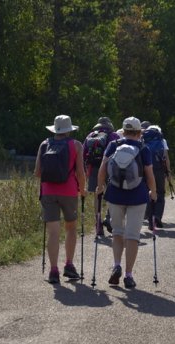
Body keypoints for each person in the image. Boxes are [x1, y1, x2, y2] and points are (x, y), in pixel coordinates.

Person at [96, 116, 157, 289]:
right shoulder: (143, 148)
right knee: (132, 236)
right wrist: (153, 191)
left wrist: (100, 186)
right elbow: (149, 173)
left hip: (114, 194)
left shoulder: (113, 145)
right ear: (139, 133)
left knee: (117, 232)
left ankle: (117, 266)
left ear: (123, 131)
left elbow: (103, 167)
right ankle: (128, 275)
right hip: (138, 195)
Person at [34, 115, 87, 283]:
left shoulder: (44, 144)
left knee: (53, 233)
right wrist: (83, 189)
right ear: (69, 130)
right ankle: (69, 265)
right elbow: (80, 172)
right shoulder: (76, 145)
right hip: (69, 191)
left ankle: (53, 271)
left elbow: (37, 172)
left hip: (48, 192)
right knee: (70, 228)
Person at [83, 116, 121, 235]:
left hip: (94, 167)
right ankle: (108, 217)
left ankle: (98, 223)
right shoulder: (114, 136)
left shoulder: (90, 136)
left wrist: (86, 171)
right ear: (109, 125)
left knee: (97, 194)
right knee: (113, 193)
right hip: (110, 167)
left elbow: (84, 155)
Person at [143, 124, 172, 230]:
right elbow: (166, 158)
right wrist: (168, 172)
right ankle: (158, 216)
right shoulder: (162, 141)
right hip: (159, 170)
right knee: (160, 192)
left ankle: (150, 220)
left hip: (146, 170)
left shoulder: (143, 140)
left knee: (148, 192)